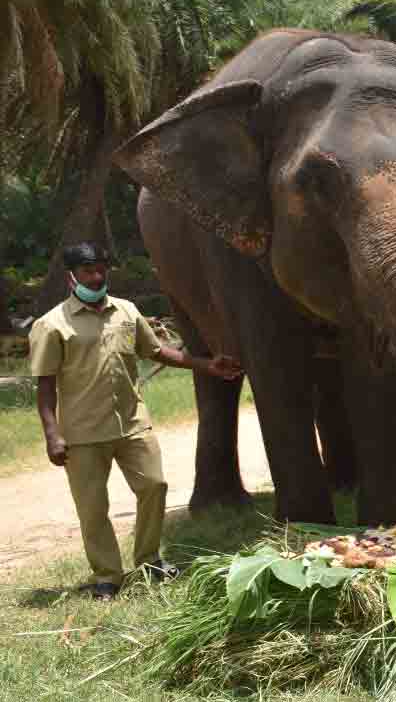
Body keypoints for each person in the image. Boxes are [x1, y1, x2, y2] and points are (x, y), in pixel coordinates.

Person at [28, 242, 241, 600]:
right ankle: (107, 576)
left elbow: (156, 351)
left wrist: (207, 365)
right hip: (83, 432)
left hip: (132, 424)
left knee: (154, 486)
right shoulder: (52, 325)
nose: (96, 277)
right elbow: (45, 385)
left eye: (101, 269)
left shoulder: (126, 311)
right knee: (93, 508)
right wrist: (53, 434)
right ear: (71, 278)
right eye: (87, 271)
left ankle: (149, 561)